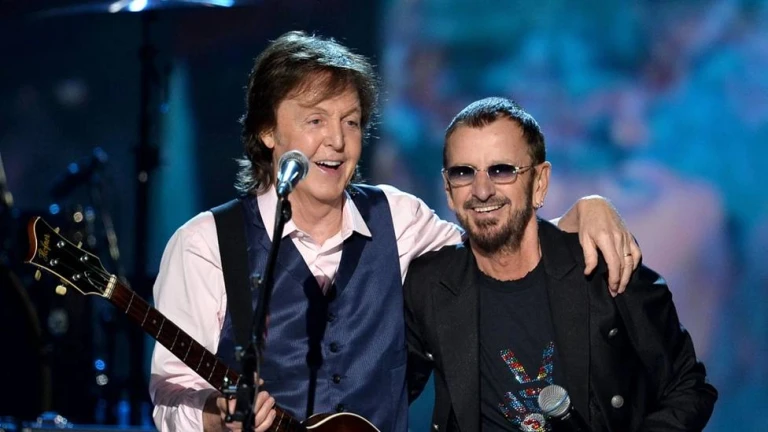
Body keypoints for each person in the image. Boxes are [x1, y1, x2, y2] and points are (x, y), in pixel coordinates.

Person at [149, 32, 642, 432]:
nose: (337, 140)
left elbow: (496, 244)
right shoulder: (205, 244)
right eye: (315, 120)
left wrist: (582, 212)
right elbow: (170, 394)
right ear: (267, 131)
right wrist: (214, 418)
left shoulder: (399, 217)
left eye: (351, 122)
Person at [404, 97, 718, 432]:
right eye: (463, 173)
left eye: (502, 170)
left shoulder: (602, 267)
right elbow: (385, 390)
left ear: (539, 182)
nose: (481, 190)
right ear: (448, 190)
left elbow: (688, 388)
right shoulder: (430, 286)